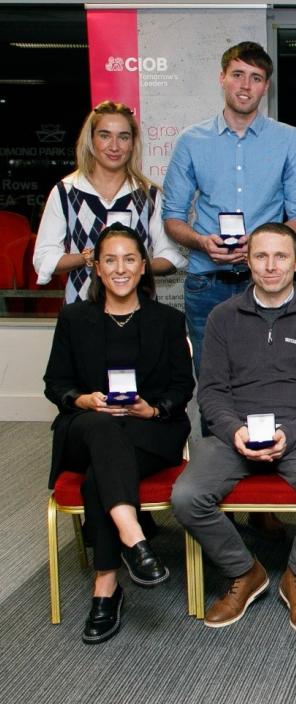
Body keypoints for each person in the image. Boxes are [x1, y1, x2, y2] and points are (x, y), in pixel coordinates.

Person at [171, 223, 296, 634]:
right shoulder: (222, 316)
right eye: (261, 256)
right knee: (186, 496)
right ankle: (244, 571)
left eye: (280, 256)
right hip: (235, 434)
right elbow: (211, 391)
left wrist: (293, 432)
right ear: (247, 261)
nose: (271, 266)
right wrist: (234, 431)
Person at [42, 224, 193, 644]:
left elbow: (182, 387)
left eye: (129, 259)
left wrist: (153, 407)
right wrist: (85, 400)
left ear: (144, 267)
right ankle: (133, 533)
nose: (120, 268)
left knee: (99, 478)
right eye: (110, 260)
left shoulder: (167, 320)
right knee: (101, 428)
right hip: (86, 427)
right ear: (97, 267)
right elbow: (55, 383)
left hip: (148, 430)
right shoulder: (74, 318)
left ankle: (105, 587)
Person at [162, 41, 296, 372]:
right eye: (238, 75)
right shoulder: (191, 140)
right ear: (222, 77)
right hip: (206, 281)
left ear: (266, 86)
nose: (246, 86)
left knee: (271, 372)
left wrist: (260, 248)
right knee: (212, 378)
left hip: (265, 279)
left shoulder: (289, 139)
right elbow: (172, 217)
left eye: (256, 78)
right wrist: (202, 242)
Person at [34, 101, 185, 304]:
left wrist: (130, 263)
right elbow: (44, 259)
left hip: (139, 309)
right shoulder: (66, 192)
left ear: (133, 143)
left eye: (123, 137)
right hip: (81, 309)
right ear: (91, 140)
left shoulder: (148, 195)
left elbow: (170, 258)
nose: (114, 146)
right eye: (105, 135)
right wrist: (89, 257)